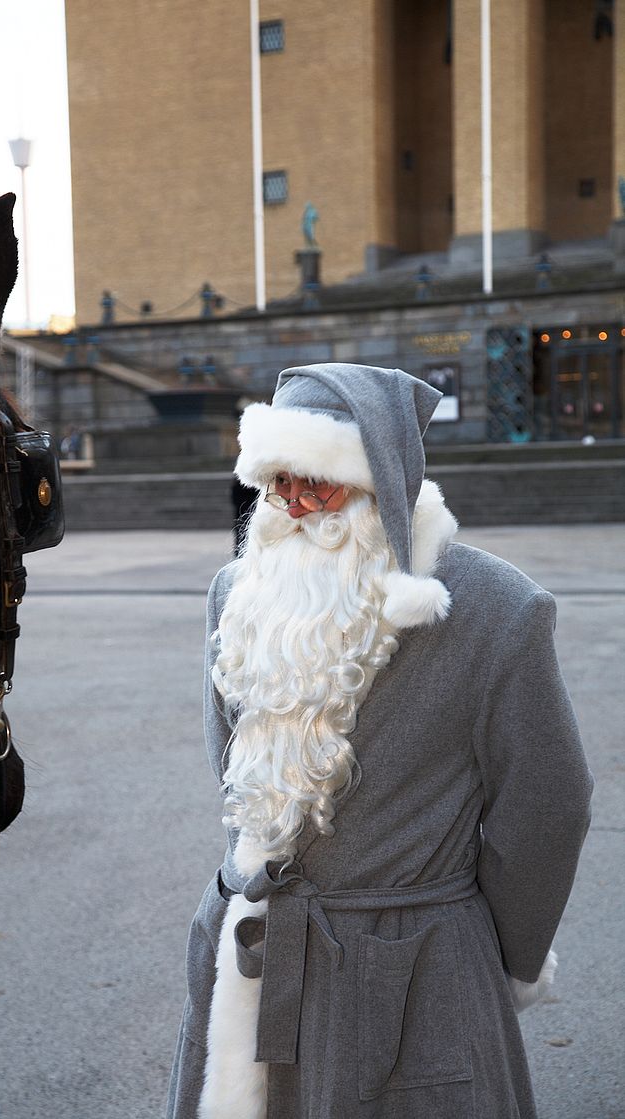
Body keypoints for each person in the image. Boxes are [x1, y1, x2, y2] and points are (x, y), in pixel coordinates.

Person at [166, 363, 593, 1119]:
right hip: (256, 952)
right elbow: (228, 765)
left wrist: (503, 959)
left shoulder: (500, 608)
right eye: (275, 484)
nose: (293, 505)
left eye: (316, 484)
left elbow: (548, 809)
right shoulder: (235, 592)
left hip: (416, 974)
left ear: (379, 483)